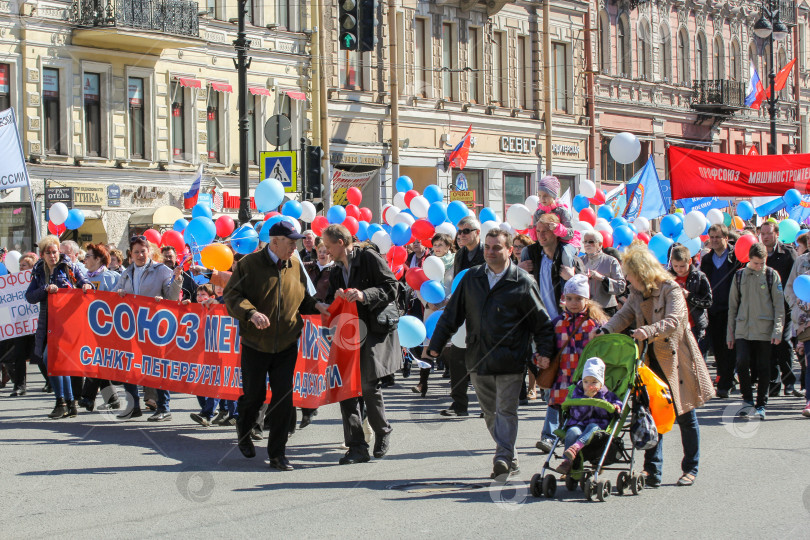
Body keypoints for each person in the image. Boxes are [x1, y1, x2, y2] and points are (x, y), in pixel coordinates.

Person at [429, 229, 554, 478]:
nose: (490, 252)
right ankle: (509, 453)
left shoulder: (522, 281)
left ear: (509, 251)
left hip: (510, 358)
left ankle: (503, 457)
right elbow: (452, 314)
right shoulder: (472, 278)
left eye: (496, 247)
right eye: (487, 247)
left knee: (506, 410)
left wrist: (545, 352)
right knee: (490, 412)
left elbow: (541, 323)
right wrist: (436, 343)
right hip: (478, 357)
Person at [601, 242, 714, 488]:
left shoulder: (670, 289)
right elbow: (624, 315)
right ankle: (652, 470)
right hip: (648, 359)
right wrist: (605, 329)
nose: (626, 278)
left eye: (629, 273)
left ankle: (690, 468)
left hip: (675, 358)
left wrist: (648, 330)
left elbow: (674, 320)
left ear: (641, 272)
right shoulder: (636, 292)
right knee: (650, 413)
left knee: (685, 414)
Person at [223, 221, 328, 471]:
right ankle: (244, 430)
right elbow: (232, 296)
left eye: (296, 242)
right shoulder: (249, 264)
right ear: (274, 242)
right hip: (255, 344)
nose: (295, 246)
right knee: (254, 397)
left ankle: (278, 454)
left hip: (287, 344)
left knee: (283, 399)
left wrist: (317, 307)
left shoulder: (295, 265)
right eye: (290, 242)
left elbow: (302, 299)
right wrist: (251, 314)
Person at [322, 224, 401, 464]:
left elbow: (391, 287)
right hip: (348, 334)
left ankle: (382, 429)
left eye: (328, 246)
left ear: (341, 242)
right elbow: (328, 302)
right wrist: (333, 299)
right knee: (346, 389)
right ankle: (356, 446)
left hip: (373, 330)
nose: (325, 251)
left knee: (367, 385)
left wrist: (364, 295)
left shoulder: (367, 256)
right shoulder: (335, 270)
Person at [536, 274, 608, 453]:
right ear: (564, 299)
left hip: (585, 376)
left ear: (587, 300)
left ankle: (575, 437)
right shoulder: (557, 322)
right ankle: (548, 436)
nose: (573, 303)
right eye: (569, 298)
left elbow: (604, 349)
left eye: (578, 299)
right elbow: (547, 345)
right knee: (554, 403)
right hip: (562, 373)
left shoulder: (595, 324)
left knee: (581, 407)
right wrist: (541, 356)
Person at [116, 235, 183, 421]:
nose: (139, 255)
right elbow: (114, 295)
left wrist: (177, 279)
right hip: (131, 327)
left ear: (150, 251)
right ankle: (133, 406)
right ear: (131, 254)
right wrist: (119, 294)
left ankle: (164, 407)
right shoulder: (126, 272)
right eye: (136, 252)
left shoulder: (161, 271)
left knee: (157, 367)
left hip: (154, 327)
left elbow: (171, 298)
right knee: (128, 367)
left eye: (143, 251)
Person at [25, 235, 93, 419]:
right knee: (53, 362)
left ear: (59, 252)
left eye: (55, 252)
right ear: (42, 254)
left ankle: (61, 401)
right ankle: (68, 402)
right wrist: (45, 289)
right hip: (47, 321)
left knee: (53, 360)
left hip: (67, 321)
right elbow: (29, 296)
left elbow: (84, 282)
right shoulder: (39, 270)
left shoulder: (69, 266)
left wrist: (86, 284)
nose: (52, 256)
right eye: (48, 253)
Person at [728, 242, 784, 420]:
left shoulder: (771, 275)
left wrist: (777, 330)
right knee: (742, 362)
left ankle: (761, 404)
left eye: (762, 263)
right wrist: (730, 333)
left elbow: (779, 306)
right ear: (748, 260)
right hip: (743, 328)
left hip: (764, 329)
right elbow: (733, 307)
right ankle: (747, 401)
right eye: (755, 263)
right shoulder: (739, 276)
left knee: (763, 367)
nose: (759, 267)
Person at [438, 216, 485, 417]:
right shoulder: (460, 255)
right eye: (460, 231)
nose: (462, 235)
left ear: (477, 232)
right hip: (463, 311)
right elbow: (458, 282)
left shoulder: (487, 252)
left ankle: (486, 405)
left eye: (467, 231)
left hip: (484, 312)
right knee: (457, 358)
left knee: (483, 361)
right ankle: (459, 404)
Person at [556, 357, 623, 474]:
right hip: (579, 422)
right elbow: (575, 413)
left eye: (594, 382)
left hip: (598, 425)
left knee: (592, 427)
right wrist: (586, 398)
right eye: (586, 381)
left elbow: (615, 404)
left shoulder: (605, 394)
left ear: (601, 383)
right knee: (572, 432)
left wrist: (615, 406)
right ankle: (568, 462)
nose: (589, 385)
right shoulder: (578, 391)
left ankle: (575, 448)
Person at [78, 243, 122, 412]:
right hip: (88, 325)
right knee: (98, 361)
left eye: (88, 256)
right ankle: (112, 399)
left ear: (98, 259)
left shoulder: (110, 277)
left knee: (96, 359)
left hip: (107, 327)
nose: (85, 260)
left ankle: (87, 397)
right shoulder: (83, 277)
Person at [760, 220, 801, 397]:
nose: (766, 237)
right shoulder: (759, 254)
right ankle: (774, 382)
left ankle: (789, 381)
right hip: (764, 308)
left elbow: (795, 281)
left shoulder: (788, 254)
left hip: (784, 308)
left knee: (784, 344)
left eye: (769, 233)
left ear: (777, 234)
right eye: (763, 234)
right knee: (769, 346)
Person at [699, 224, 741, 398]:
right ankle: (725, 378)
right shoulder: (707, 260)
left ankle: (726, 382)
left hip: (732, 308)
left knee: (730, 346)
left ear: (726, 238)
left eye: (718, 237)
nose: (714, 241)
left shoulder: (736, 256)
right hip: (713, 308)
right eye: (712, 237)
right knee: (717, 347)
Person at [520, 213, 585, 322]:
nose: (540, 236)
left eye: (545, 231)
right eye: (538, 231)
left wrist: (571, 278)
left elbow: (585, 293)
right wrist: (518, 270)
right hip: (540, 323)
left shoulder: (570, 258)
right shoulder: (531, 256)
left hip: (564, 323)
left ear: (555, 233)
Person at [300, 243, 335, 428]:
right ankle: (306, 408)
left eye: (325, 251)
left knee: (317, 364)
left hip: (323, 321)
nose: (322, 254)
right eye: (320, 251)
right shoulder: (309, 267)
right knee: (304, 364)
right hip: (304, 319)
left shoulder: (334, 271)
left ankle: (312, 404)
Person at [669, 244, 713, 356]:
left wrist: (689, 296)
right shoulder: (668, 277)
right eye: (676, 266)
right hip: (675, 325)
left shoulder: (699, 277)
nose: (679, 269)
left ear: (689, 262)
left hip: (694, 325)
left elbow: (708, 301)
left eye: (682, 266)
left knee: (696, 359)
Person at [5, 254, 39, 396]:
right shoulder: (13, 282)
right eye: (20, 265)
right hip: (20, 324)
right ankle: (19, 386)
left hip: (35, 324)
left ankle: (51, 382)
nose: (20, 267)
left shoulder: (38, 279)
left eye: (24, 265)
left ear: (31, 267)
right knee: (18, 355)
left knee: (40, 357)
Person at [580, 229, 625, 317]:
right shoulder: (580, 261)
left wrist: (602, 278)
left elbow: (621, 286)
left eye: (591, 242)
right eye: (585, 242)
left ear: (600, 244)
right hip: (585, 309)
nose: (587, 244)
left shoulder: (611, 261)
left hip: (606, 309)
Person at [530, 175, 576, 244]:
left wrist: (557, 228)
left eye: (545, 196)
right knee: (528, 251)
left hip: (561, 243)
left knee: (566, 254)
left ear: (553, 196)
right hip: (544, 244)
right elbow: (535, 239)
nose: (542, 199)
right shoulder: (538, 213)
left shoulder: (561, 211)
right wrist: (532, 230)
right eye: (539, 196)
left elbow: (570, 234)